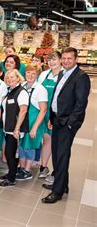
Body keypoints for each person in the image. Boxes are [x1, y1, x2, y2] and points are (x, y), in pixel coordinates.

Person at [42, 47, 90, 204]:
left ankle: (58, 191)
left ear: (76, 59)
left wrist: (70, 124)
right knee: (57, 153)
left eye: (70, 58)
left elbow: (81, 104)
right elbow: (56, 96)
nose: (66, 61)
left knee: (62, 155)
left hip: (67, 122)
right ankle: (63, 184)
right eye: (64, 58)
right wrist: (51, 116)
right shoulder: (62, 73)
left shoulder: (81, 77)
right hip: (57, 119)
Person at [0, 69, 29, 187]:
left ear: (18, 78)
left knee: (10, 153)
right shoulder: (11, 91)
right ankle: (12, 172)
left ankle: (11, 178)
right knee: (10, 153)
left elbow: (23, 111)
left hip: (14, 129)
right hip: (8, 127)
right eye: (8, 77)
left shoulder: (21, 92)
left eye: (12, 77)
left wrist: (17, 128)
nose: (9, 79)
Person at [16, 64, 48, 181]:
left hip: (34, 122)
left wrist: (34, 128)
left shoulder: (40, 89)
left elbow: (43, 109)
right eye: (28, 72)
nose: (30, 75)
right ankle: (21, 167)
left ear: (37, 75)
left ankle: (27, 170)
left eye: (33, 73)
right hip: (23, 121)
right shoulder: (23, 85)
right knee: (21, 145)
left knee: (29, 146)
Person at [37, 51, 62, 180]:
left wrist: (54, 117)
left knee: (57, 142)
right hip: (43, 112)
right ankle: (43, 166)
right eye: (49, 60)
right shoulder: (43, 75)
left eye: (54, 59)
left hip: (56, 114)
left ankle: (57, 171)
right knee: (46, 139)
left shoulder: (64, 76)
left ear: (60, 60)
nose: (51, 62)